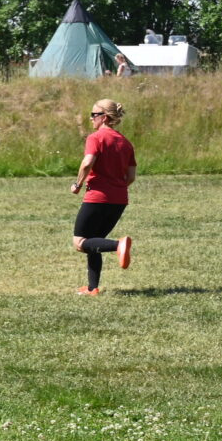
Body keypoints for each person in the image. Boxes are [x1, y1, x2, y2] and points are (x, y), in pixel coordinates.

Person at [71, 97, 136, 295]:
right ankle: (92, 288)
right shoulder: (125, 142)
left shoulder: (96, 137)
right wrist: (115, 187)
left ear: (104, 118)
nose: (91, 119)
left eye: (94, 115)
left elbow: (87, 162)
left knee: (80, 242)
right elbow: (131, 176)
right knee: (95, 240)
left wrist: (78, 184)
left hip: (98, 197)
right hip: (119, 199)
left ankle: (119, 245)